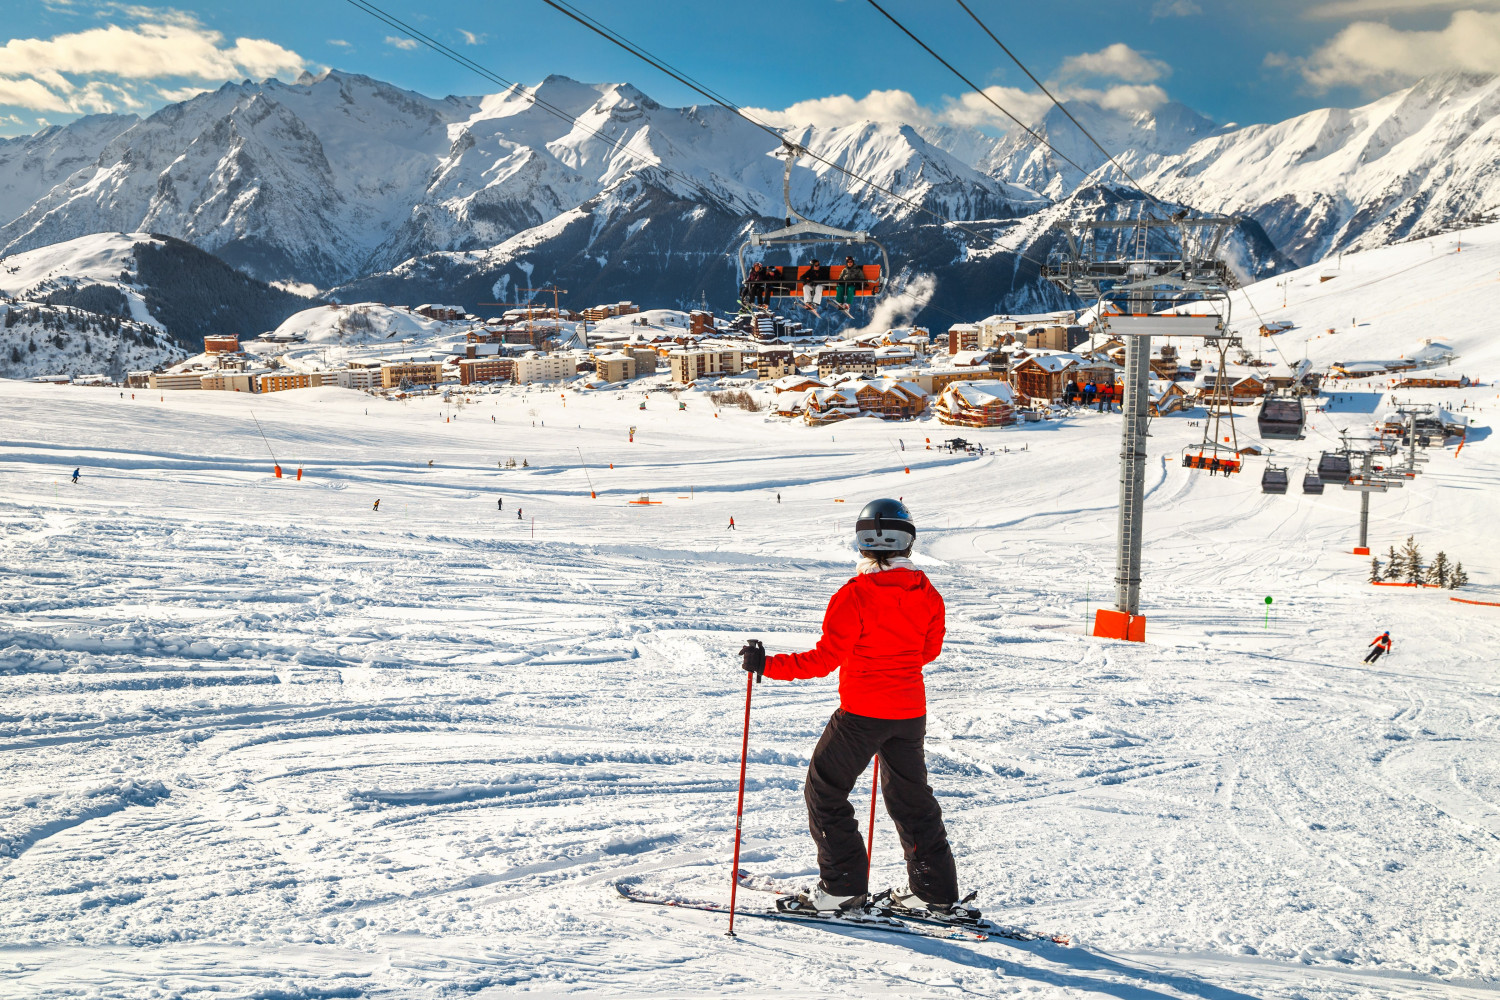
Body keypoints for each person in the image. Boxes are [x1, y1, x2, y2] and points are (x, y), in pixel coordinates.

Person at [739, 499, 968, 920]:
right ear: (909, 543)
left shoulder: (854, 595)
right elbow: (928, 651)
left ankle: (843, 889)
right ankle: (934, 893)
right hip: (909, 713)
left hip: (862, 715)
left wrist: (768, 665)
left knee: (825, 791)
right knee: (911, 801)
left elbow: (825, 659)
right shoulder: (926, 592)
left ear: (862, 546)